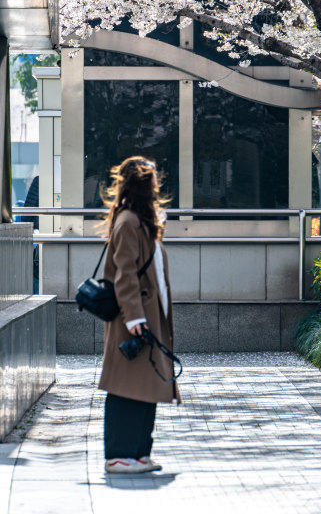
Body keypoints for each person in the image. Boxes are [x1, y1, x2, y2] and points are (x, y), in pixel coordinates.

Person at [98, 156, 181, 474]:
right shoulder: (129, 222)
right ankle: (120, 455)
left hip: (145, 318)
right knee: (125, 387)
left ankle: (139, 453)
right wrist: (134, 318)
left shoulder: (139, 220)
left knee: (144, 385)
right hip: (133, 321)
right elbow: (125, 275)